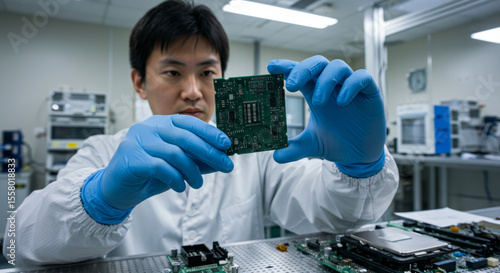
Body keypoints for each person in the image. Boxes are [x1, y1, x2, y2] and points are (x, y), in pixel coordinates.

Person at [4, 0, 398, 267]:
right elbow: (20, 244)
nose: (193, 90)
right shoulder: (104, 152)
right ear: (139, 82)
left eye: (207, 73)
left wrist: (359, 167)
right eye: (173, 72)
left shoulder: (255, 153)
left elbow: (335, 216)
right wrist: (99, 198)